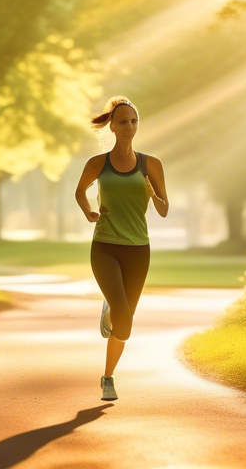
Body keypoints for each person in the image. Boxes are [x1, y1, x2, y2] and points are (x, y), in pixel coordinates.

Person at [74, 96, 168, 401]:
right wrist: (89, 211)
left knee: (125, 323)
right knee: (122, 309)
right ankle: (113, 311)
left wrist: (153, 194)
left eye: (134, 121)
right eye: (123, 122)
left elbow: (164, 210)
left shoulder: (150, 164)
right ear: (112, 127)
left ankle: (108, 375)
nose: (129, 126)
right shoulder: (98, 163)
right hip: (104, 246)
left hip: (138, 249)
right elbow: (80, 190)